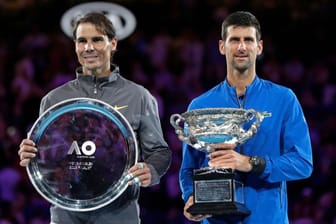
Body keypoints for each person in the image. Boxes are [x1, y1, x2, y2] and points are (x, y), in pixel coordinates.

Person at [18, 12, 172, 224]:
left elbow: (159, 151)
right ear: (75, 46)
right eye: (82, 41)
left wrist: (151, 170)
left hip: (119, 213)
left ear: (113, 43)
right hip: (66, 214)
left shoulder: (138, 96)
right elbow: (49, 158)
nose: (89, 47)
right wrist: (31, 154)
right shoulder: (53, 100)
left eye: (97, 39)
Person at [179, 11, 313, 224]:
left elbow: (302, 163)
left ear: (259, 47)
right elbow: (188, 169)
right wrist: (191, 198)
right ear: (222, 47)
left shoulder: (284, 99)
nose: (241, 47)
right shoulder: (200, 107)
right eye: (234, 40)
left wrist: (251, 164)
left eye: (248, 40)